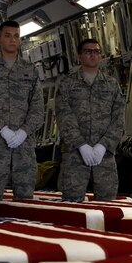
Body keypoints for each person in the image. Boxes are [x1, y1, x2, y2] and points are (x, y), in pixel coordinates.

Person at [0, 20, 44, 212]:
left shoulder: (30, 70)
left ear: (20, 40)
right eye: (8, 35)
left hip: (24, 145)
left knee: (25, 200)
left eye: (16, 36)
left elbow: (37, 108)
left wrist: (24, 131)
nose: (12, 40)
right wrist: (2, 129)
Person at [55, 38, 125, 201]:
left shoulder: (111, 85)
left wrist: (103, 145)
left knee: (107, 202)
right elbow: (64, 116)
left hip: (104, 156)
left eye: (96, 51)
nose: (93, 55)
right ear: (79, 56)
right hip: (75, 154)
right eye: (88, 52)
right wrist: (81, 145)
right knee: (72, 201)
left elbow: (119, 119)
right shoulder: (67, 84)